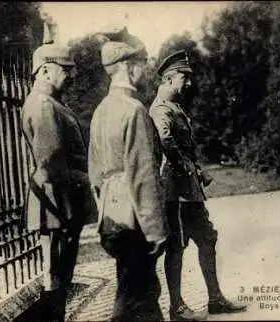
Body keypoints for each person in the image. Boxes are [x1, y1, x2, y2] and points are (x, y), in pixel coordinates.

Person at [149, 51, 247, 321]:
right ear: (169, 79)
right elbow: (167, 142)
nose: (189, 83)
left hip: (188, 190)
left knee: (207, 238)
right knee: (176, 247)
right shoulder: (160, 109)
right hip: (174, 192)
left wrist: (196, 171)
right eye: (184, 77)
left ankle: (215, 299)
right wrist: (190, 168)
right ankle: (177, 307)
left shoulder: (176, 107)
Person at [88, 33, 168, 321]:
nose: (144, 69)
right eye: (139, 63)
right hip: (135, 217)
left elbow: (94, 173)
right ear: (125, 67)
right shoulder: (134, 110)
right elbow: (143, 174)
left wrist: (107, 209)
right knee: (138, 297)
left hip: (112, 215)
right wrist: (156, 229)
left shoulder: (100, 111)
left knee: (134, 290)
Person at [21, 43, 96, 321]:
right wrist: (88, 179)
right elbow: (51, 164)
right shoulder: (43, 105)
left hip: (61, 201)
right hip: (55, 204)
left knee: (61, 276)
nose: (71, 76)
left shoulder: (52, 103)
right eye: (65, 70)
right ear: (45, 70)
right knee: (56, 277)